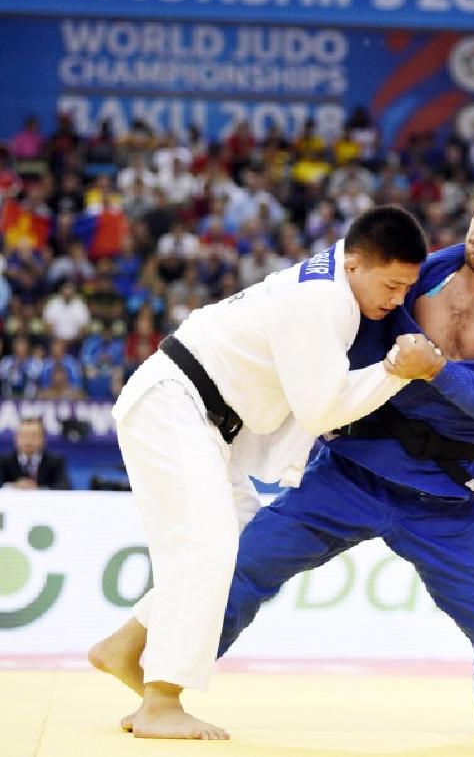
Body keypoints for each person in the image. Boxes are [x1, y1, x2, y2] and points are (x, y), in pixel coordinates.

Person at [212, 170, 474, 734]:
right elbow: (336, 307)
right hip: (351, 471)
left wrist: (440, 370)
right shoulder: (422, 274)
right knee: (240, 570)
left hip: (442, 498)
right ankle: (166, 685)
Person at [88, 206, 430, 740]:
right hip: (173, 404)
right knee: (207, 545)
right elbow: (320, 411)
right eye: (391, 285)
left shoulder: (333, 285)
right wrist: (393, 372)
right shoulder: (327, 300)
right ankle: (160, 701)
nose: (396, 301)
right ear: (357, 263)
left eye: (406, 289)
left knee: (243, 536)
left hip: (201, 418)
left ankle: (126, 646)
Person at [0, 417, 70, 490]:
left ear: (43, 440)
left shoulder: (55, 461)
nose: (29, 440)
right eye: (25, 436)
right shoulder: (3, 460)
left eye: (34, 436)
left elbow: (65, 486)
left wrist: (39, 490)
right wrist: (13, 486)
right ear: (16, 439)